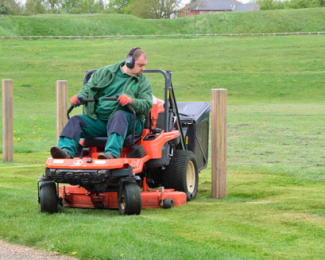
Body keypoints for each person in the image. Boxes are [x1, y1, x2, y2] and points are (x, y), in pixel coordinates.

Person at [50, 47, 153, 159]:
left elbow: (147, 105)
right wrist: (79, 96)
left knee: (119, 115)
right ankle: (65, 152)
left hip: (129, 123)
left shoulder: (143, 82)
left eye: (144, 65)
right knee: (76, 120)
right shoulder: (106, 72)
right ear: (129, 62)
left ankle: (111, 154)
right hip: (101, 122)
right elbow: (88, 88)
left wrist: (131, 101)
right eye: (140, 65)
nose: (143, 69)